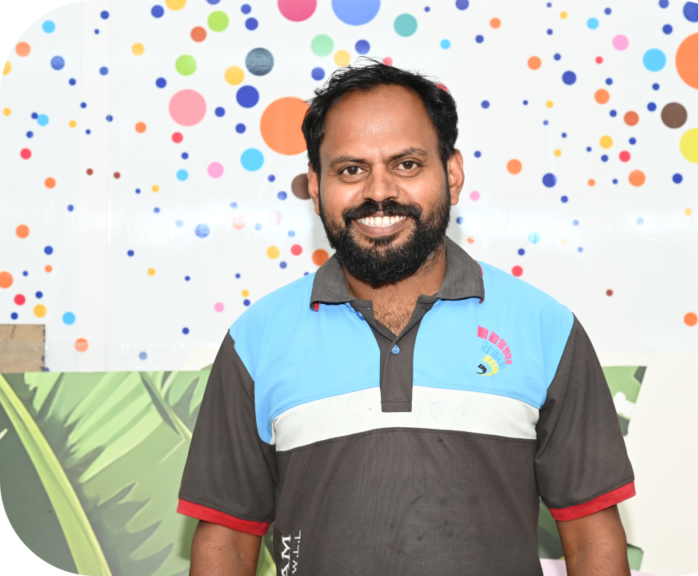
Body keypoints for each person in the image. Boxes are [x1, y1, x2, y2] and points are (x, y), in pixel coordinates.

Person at [178, 60, 635, 576]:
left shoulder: (545, 329)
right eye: (351, 170)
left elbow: (592, 540)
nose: (379, 192)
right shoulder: (256, 340)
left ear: (452, 175)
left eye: (407, 165)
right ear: (316, 184)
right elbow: (226, 542)